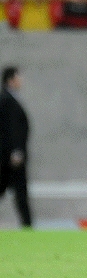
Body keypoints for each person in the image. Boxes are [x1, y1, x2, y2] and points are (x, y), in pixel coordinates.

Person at [0, 66, 33, 229]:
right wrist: (16, 151)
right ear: (11, 79)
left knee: (20, 194)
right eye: (18, 77)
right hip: (10, 158)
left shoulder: (11, 99)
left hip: (11, 157)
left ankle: (28, 226)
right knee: (20, 194)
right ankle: (27, 226)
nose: (21, 80)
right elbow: (10, 129)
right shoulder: (6, 100)